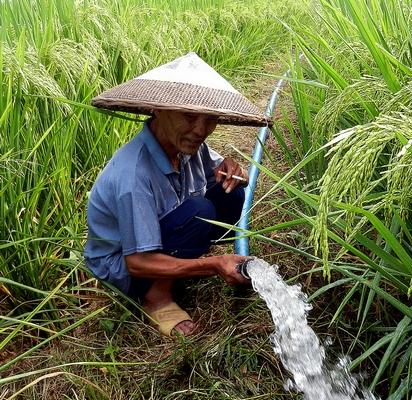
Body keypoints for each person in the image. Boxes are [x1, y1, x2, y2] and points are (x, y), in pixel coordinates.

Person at [84, 53, 272, 336]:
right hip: (125, 264)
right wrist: (212, 264)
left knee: (230, 195)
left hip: (161, 233)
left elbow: (222, 171)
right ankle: (156, 296)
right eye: (188, 116)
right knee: (200, 211)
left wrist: (236, 172)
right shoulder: (132, 176)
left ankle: (182, 256)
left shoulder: (189, 147)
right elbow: (137, 261)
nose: (200, 130)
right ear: (158, 110)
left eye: (210, 119)